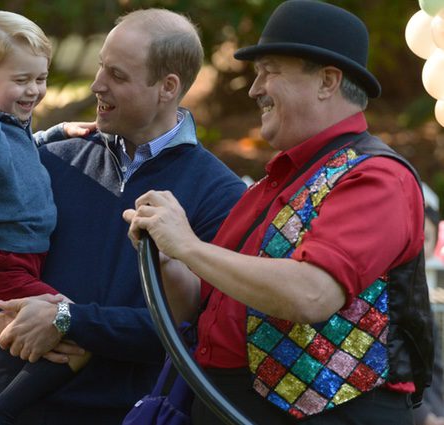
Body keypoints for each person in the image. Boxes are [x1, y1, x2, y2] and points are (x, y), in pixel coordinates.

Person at [0, 8, 246, 425]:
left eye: (116, 74)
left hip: (115, 412)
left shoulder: (218, 194)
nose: (97, 84)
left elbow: (192, 333)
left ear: (167, 87)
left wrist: (69, 320)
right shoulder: (48, 160)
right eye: (100, 67)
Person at [123, 1, 433, 424]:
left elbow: (311, 294)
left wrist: (189, 246)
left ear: (327, 81)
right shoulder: (275, 182)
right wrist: (169, 257)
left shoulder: (376, 177)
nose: (254, 89)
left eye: (270, 70)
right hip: (228, 404)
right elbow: (200, 309)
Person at [0, 11, 93, 425]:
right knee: (77, 329)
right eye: (22, 80)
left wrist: (56, 132)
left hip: (16, 256)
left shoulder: (2, 121)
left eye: (40, 79)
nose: (34, 90)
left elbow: (18, 149)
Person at [416, 203, 444, 425]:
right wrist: (425, 417)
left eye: (425, 239)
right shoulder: (389, 295)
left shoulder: (421, 294)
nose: (418, 245)